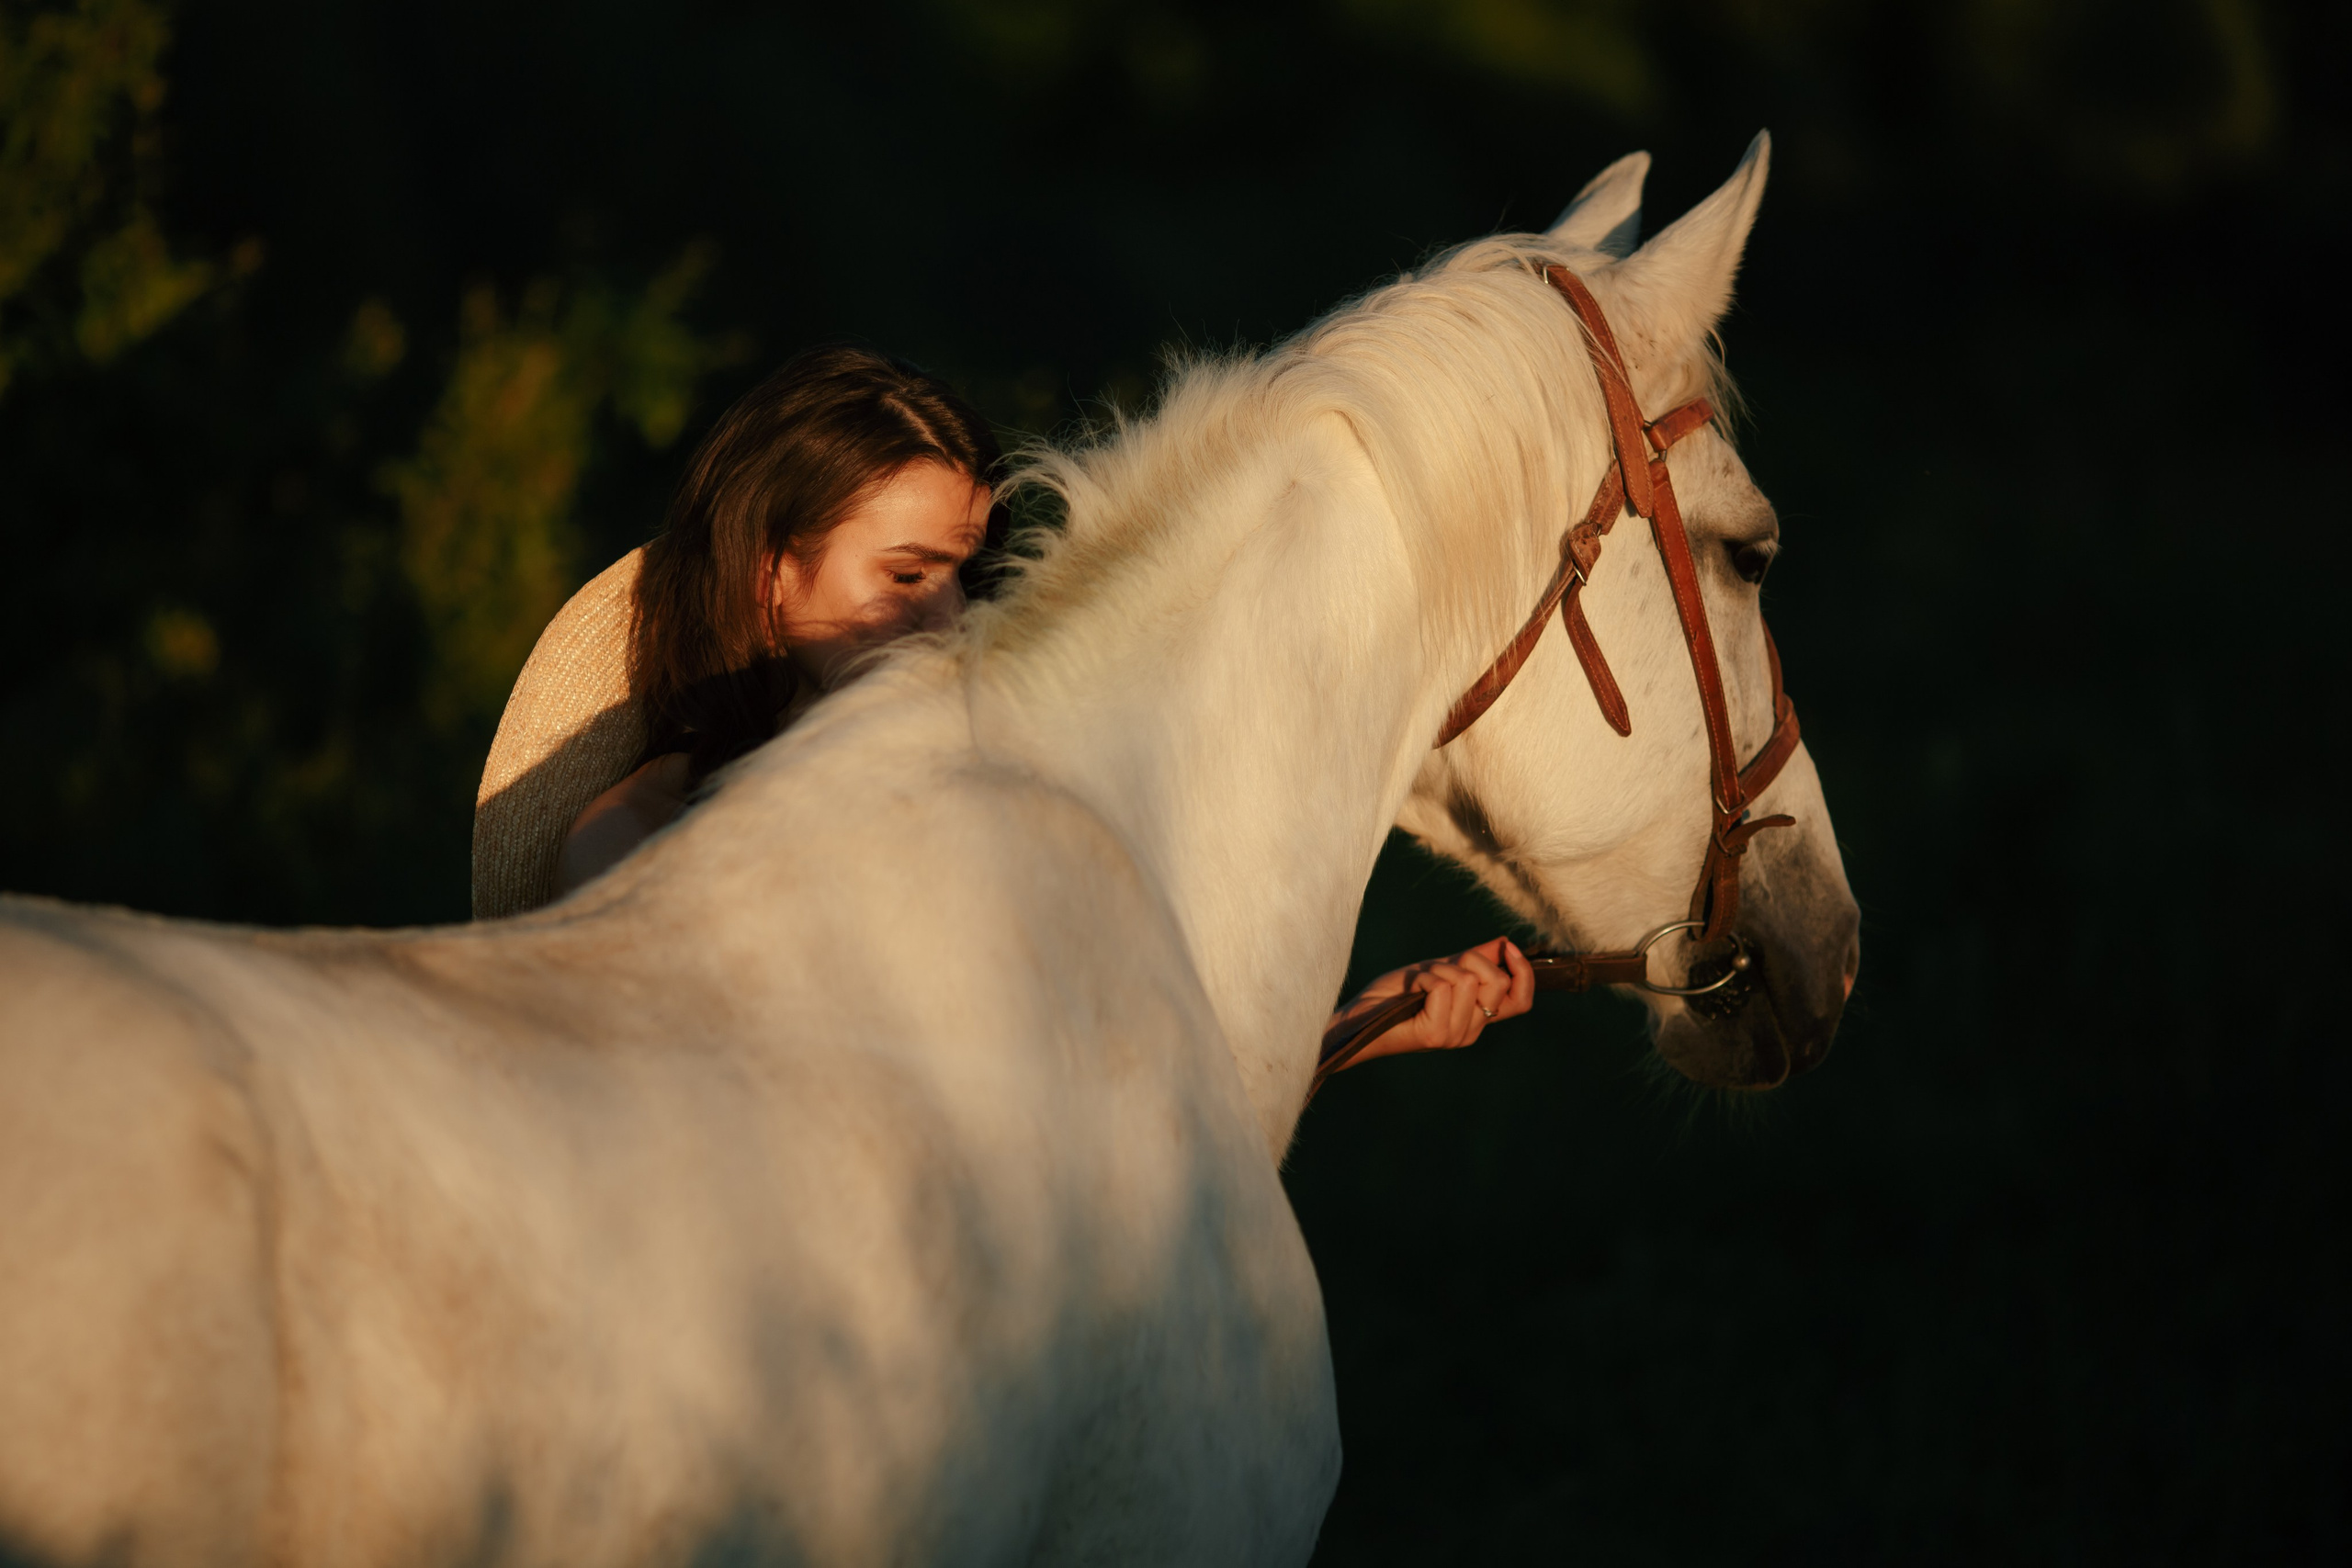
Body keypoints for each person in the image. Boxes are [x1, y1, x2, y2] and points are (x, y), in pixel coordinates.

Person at [518, 345, 1533, 1066]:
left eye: (962, 573)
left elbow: (1073, 1135)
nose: (953, 618)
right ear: (769, 583)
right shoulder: (633, 843)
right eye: (906, 574)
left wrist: (1353, 1028)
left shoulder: (972, 806)